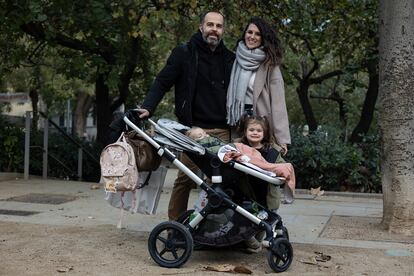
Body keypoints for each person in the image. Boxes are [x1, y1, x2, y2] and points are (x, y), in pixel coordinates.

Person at [137, 11, 235, 220]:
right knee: (185, 179)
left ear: (223, 31)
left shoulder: (230, 59)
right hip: (192, 131)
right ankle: (176, 227)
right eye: (210, 25)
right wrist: (148, 107)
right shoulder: (184, 53)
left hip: (222, 131)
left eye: (218, 26)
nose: (214, 30)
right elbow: (162, 81)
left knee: (218, 181)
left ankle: (208, 227)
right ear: (201, 27)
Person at [226, 17, 291, 154]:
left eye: (257, 34)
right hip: (238, 122)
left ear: (263, 38)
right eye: (249, 32)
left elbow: (279, 105)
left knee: (258, 168)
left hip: (260, 125)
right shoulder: (235, 59)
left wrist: (282, 139)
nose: (252, 36)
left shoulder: (270, 65)